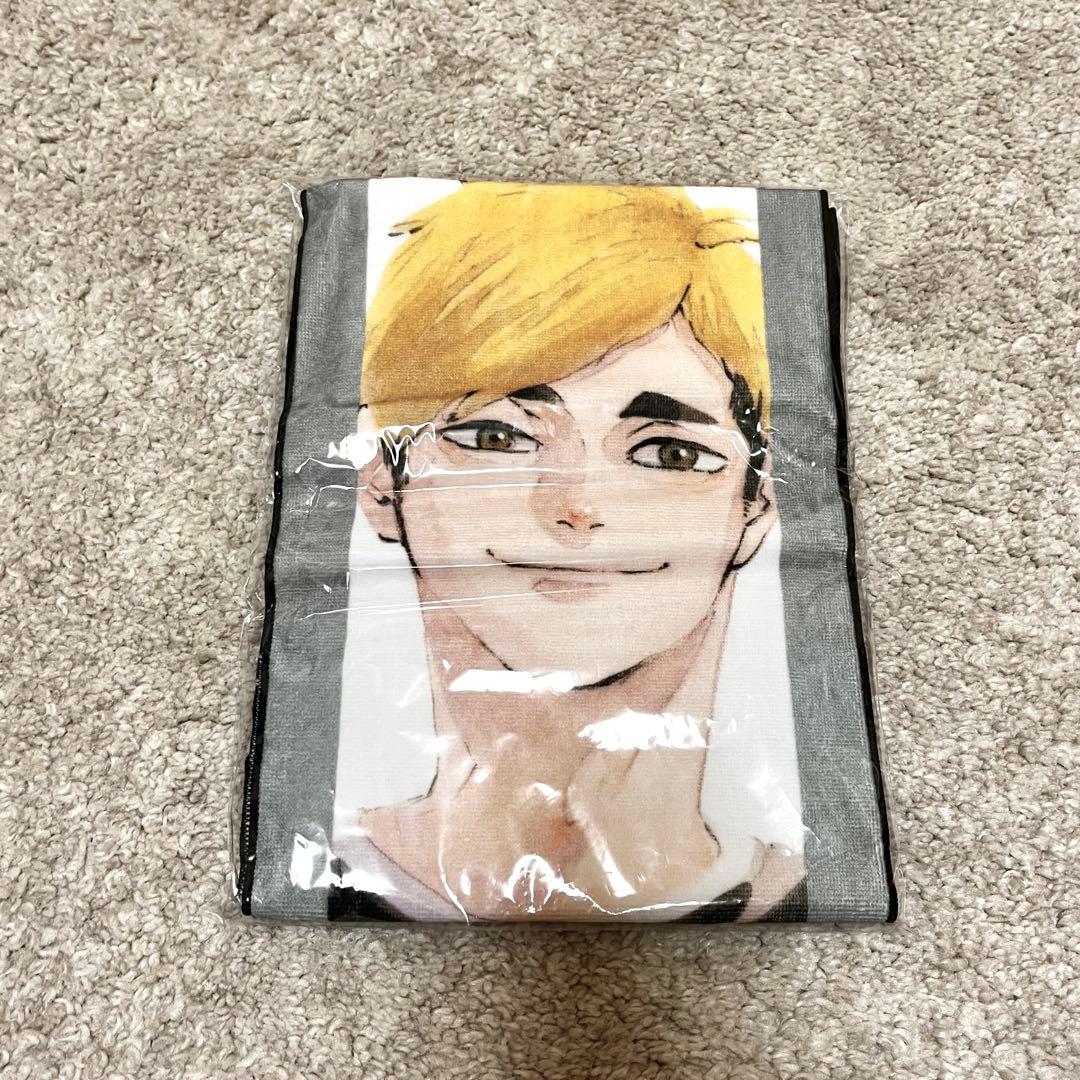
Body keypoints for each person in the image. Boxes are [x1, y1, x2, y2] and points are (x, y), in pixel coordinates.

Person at [339, 183, 804, 921]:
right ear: (381, 483)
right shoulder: (311, 874)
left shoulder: (825, 886)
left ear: (757, 505)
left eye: (672, 453)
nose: (577, 506)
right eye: (498, 437)